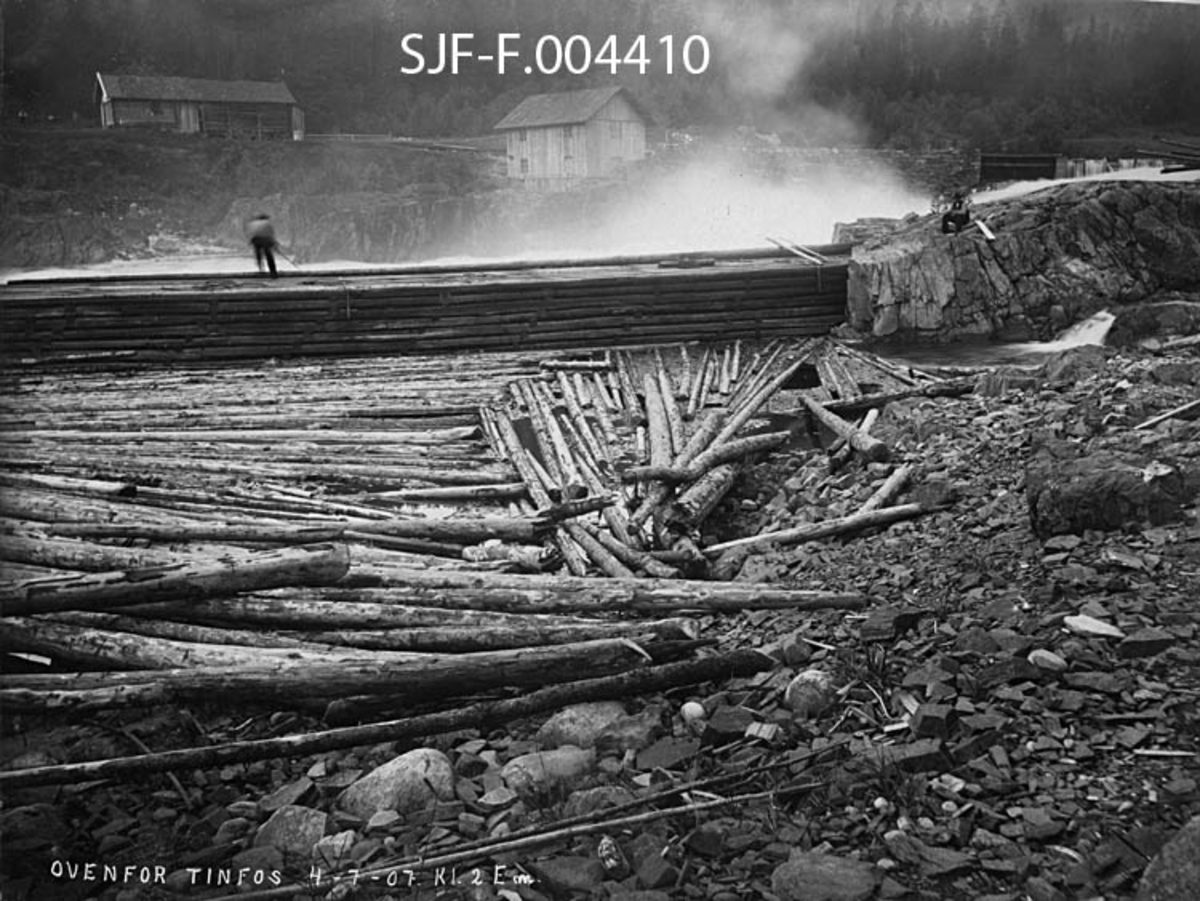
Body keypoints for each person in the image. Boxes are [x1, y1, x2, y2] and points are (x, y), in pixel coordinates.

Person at [247, 213, 279, 277]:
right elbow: (271, 233)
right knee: (269, 255)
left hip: (256, 240)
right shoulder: (267, 223)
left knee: (258, 255)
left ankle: (261, 269)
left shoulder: (252, 223)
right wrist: (274, 242)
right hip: (265, 240)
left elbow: (250, 233)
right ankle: (273, 271)